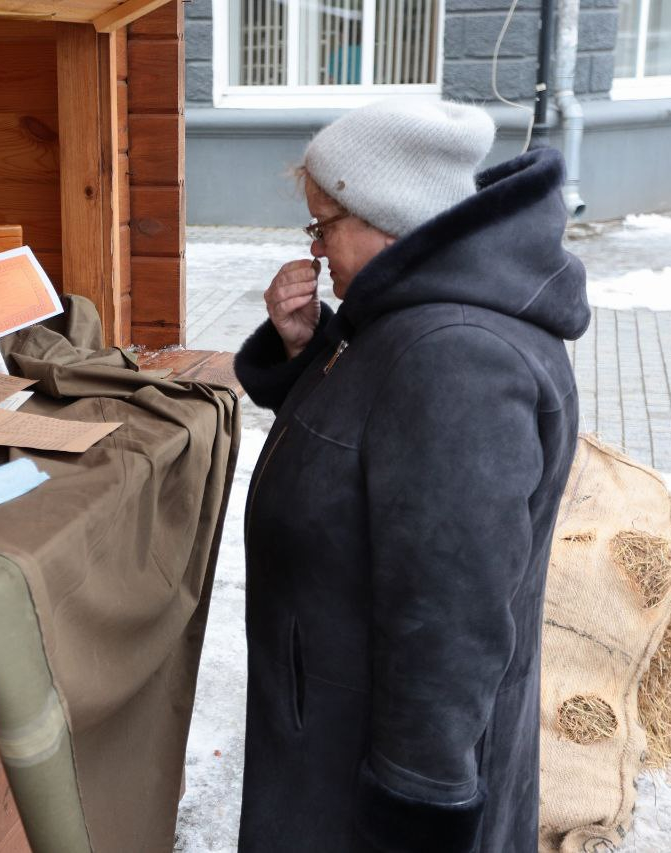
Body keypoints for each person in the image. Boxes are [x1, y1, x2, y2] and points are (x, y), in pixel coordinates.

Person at [234, 100, 589, 851]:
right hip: (335, 720)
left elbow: (450, 612)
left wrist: (416, 803)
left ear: (385, 219)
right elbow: (364, 432)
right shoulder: (411, 312)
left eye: (324, 224)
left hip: (371, 774)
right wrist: (305, 349)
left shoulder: (455, 357)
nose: (316, 248)